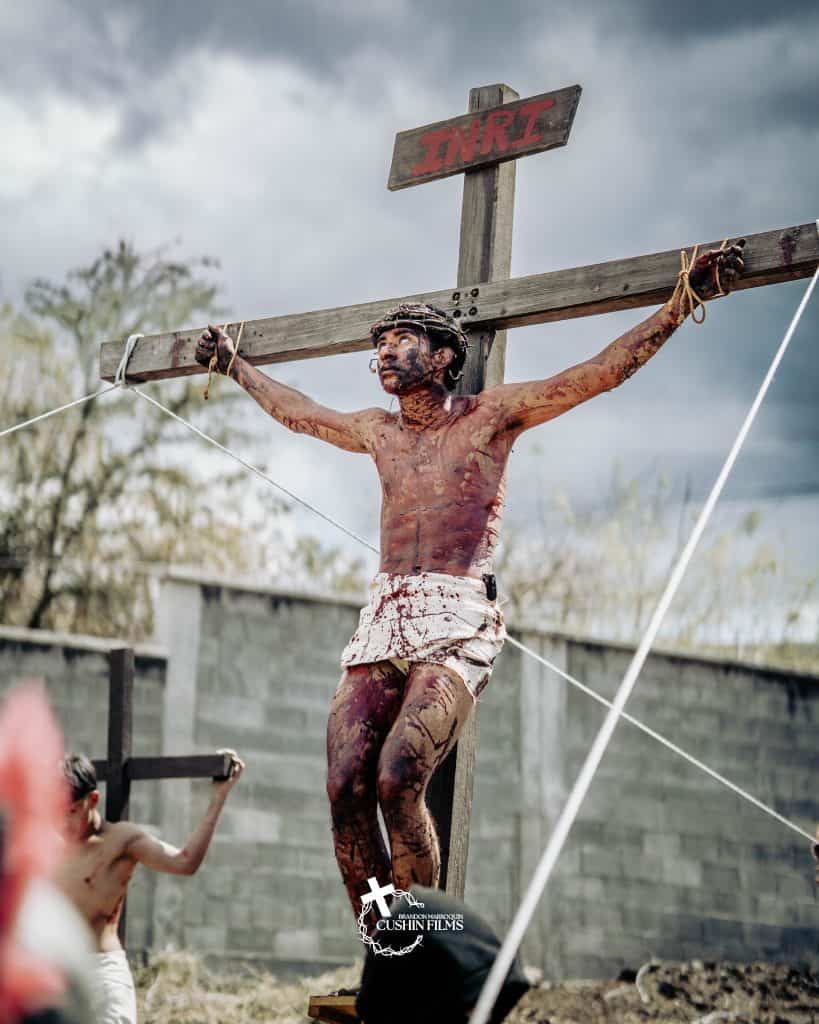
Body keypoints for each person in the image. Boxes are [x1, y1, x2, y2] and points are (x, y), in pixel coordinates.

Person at [195, 241, 744, 920]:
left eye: (404, 340)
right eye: (383, 343)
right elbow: (300, 412)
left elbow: (596, 373)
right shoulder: (376, 430)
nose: (389, 352)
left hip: (456, 613)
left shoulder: (487, 418)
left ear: (445, 356)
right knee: (344, 787)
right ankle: (383, 941)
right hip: (384, 615)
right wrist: (235, 367)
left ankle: (423, 941)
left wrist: (679, 302)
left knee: (398, 778)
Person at [56, 751, 244, 1024]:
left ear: (92, 800)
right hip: (61, 975)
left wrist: (218, 798)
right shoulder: (46, 843)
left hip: (102, 973)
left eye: (70, 812)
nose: (62, 823)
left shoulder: (121, 840)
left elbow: (185, 862)